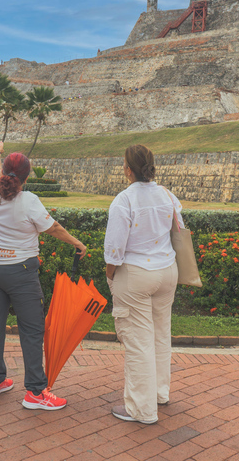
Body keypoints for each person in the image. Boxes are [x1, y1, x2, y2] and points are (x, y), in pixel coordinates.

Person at [0, 141, 86, 410]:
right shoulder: (28, 201)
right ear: (26, 177)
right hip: (20, 271)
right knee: (32, 329)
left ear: (2, 172)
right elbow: (54, 228)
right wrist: (77, 243)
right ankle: (36, 392)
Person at [104, 144, 182, 425]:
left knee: (138, 341)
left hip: (136, 273)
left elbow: (114, 248)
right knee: (161, 335)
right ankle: (159, 393)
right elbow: (178, 230)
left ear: (127, 170)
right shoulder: (167, 195)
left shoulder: (124, 200)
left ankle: (142, 409)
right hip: (167, 271)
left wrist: (109, 273)